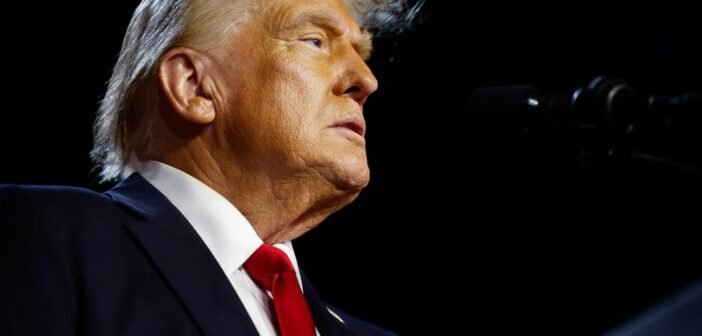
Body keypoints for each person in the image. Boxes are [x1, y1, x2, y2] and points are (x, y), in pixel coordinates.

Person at [0, 0, 421, 335]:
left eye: (362, 53)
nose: (366, 80)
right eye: (314, 40)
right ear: (194, 86)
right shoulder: (44, 233)